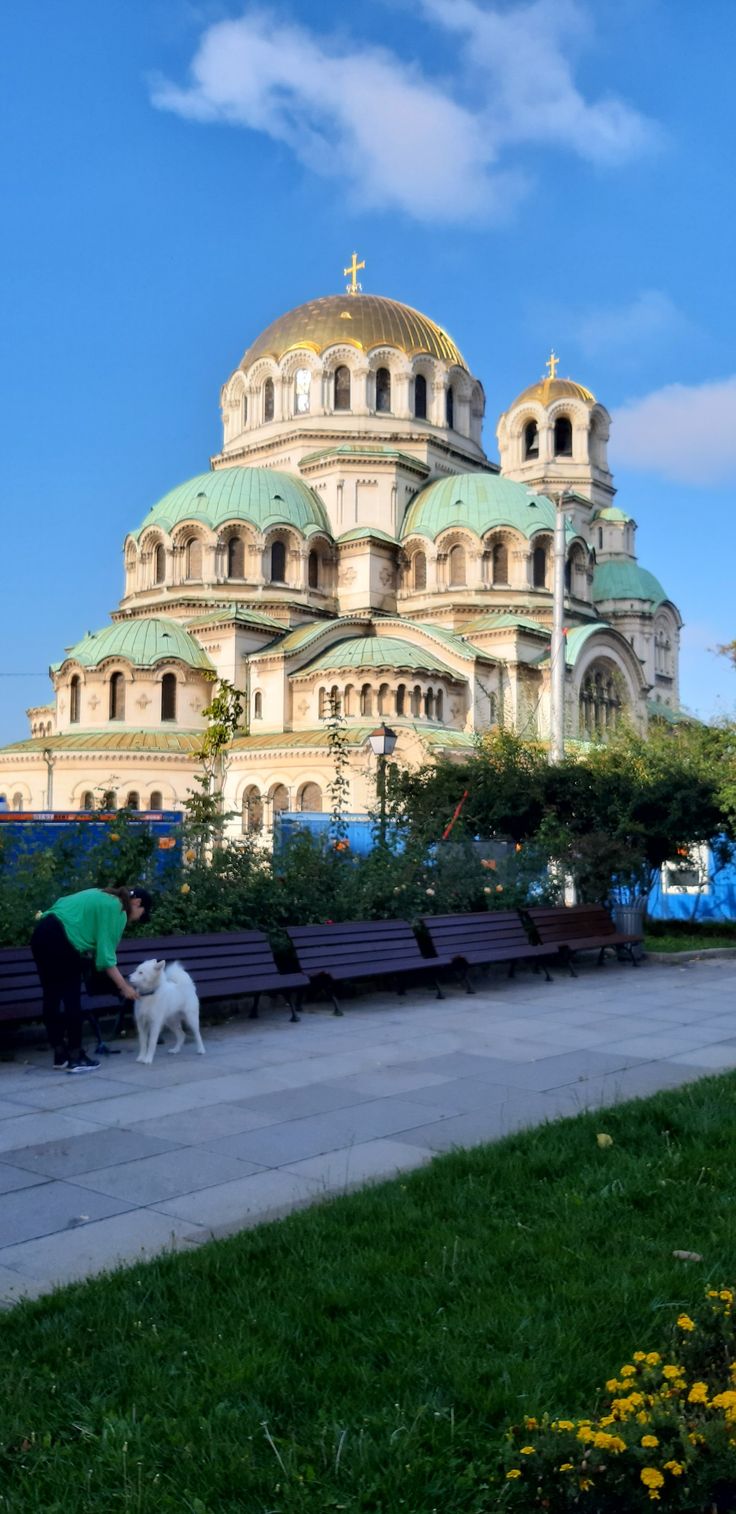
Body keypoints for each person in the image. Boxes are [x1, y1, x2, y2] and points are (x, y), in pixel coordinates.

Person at [30, 885, 152, 1073]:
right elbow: (106, 959)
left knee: (51, 997)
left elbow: (63, 904)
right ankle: (75, 1056)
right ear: (137, 903)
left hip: (42, 932)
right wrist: (124, 987)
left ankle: (60, 1054)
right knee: (72, 1000)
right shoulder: (118, 909)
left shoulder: (102, 895)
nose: (136, 921)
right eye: (142, 915)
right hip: (63, 940)